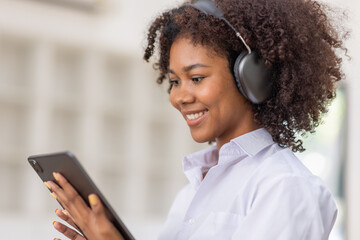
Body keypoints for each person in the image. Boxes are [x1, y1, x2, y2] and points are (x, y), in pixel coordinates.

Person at [46, 0, 348, 239]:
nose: (179, 97)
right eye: (175, 81)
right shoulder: (193, 190)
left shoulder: (286, 187)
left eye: (197, 77)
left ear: (251, 77)